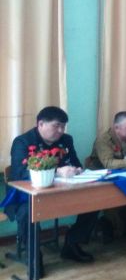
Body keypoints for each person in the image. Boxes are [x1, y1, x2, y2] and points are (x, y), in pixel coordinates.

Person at [2, 106, 98, 269]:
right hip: (26, 194)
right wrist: (57, 172)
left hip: (61, 190)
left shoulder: (66, 140)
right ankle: (34, 256)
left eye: (63, 126)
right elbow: (19, 173)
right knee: (27, 212)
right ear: (40, 124)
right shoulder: (23, 142)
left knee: (94, 200)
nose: (60, 131)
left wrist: (76, 170)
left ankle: (72, 243)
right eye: (56, 126)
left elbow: (75, 163)